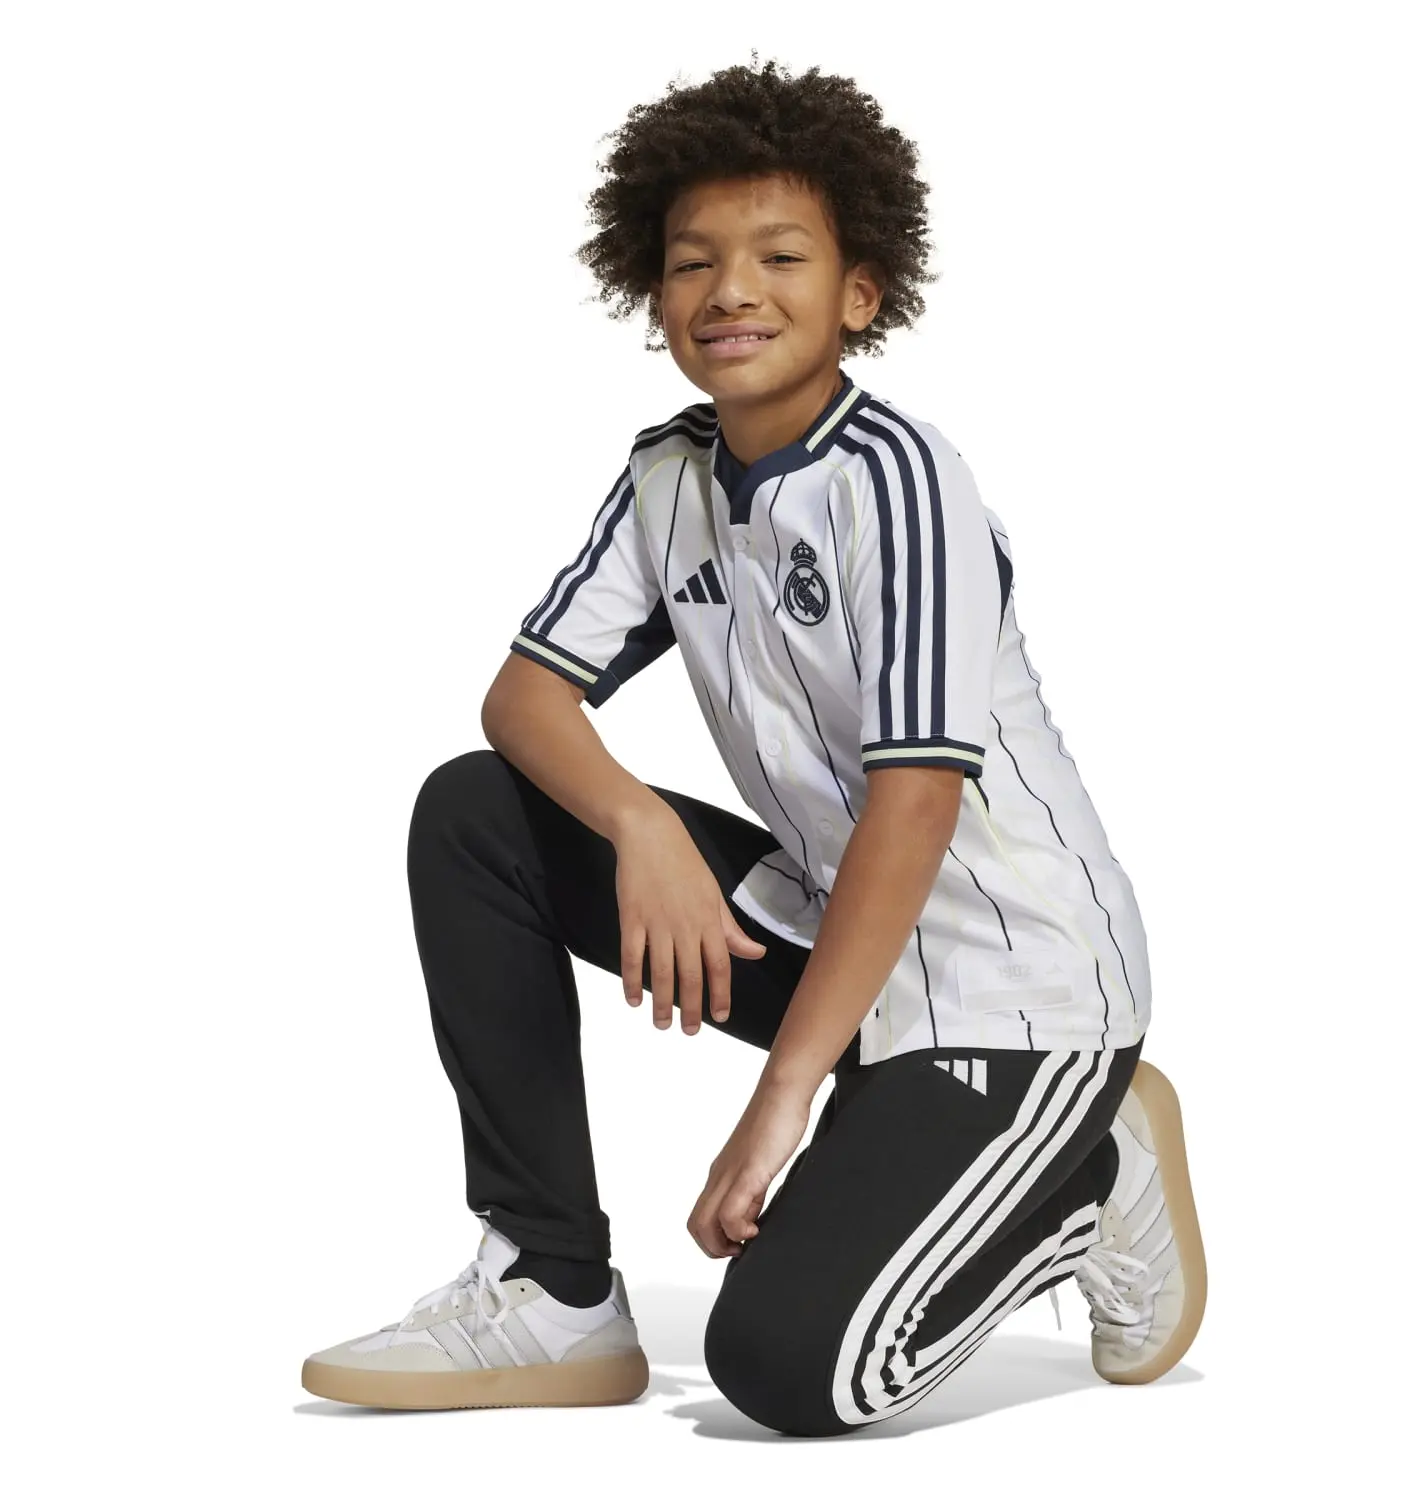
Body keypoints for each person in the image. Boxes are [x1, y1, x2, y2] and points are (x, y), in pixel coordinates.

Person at [300, 53, 1206, 1435]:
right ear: (651, 289)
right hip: (841, 941)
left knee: (790, 1369)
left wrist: (783, 1103)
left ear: (860, 294)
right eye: (694, 261)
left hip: (1012, 991)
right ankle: (552, 1287)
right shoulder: (669, 475)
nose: (732, 289)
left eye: (781, 256)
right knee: (477, 815)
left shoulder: (903, 483)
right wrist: (641, 830)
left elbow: (916, 803)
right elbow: (522, 701)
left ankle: (1088, 1172)